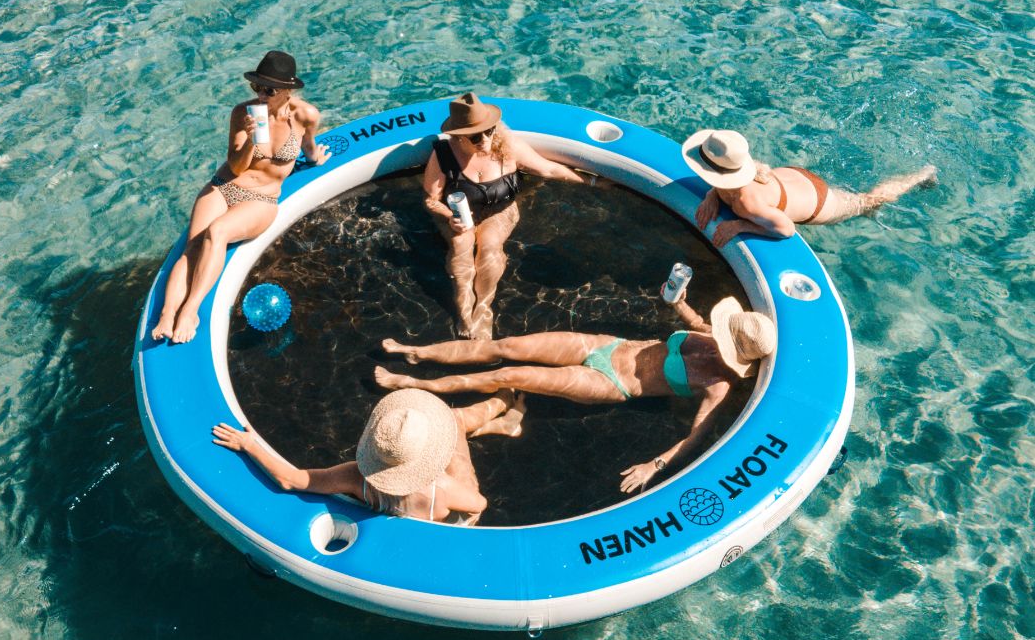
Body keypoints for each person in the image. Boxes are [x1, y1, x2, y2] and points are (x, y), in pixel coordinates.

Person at [375, 292, 776, 494]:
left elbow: (696, 435)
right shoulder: (710, 336)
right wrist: (679, 303)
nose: (717, 334)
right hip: (605, 345)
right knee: (507, 346)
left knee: (511, 374)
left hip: (610, 385)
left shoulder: (718, 386)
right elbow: (698, 322)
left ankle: (419, 384)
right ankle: (419, 352)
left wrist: (654, 466)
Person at [152, 51, 330, 344]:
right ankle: (168, 314)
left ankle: (190, 311)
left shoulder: (305, 115)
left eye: (269, 90)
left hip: (260, 199)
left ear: (288, 90)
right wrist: (249, 139)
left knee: (217, 232)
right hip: (226, 185)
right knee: (192, 248)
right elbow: (236, 166)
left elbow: (309, 146)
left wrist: (315, 158)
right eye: (256, 87)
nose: (261, 94)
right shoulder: (244, 113)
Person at [212, 388, 527, 525]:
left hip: (399, 508)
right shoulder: (441, 489)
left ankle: (498, 414)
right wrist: (454, 479)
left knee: (455, 422)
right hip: (448, 503)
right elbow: (479, 504)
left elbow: (290, 479)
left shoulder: (354, 477)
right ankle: (503, 405)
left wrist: (250, 445)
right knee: (454, 421)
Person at [424, 92, 584, 341]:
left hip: (501, 209)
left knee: (488, 249)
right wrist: (448, 216)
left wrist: (592, 182)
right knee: (460, 246)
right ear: (459, 135)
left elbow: (548, 168)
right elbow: (431, 199)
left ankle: (483, 308)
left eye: (489, 131)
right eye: (475, 136)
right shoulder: (444, 154)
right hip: (461, 215)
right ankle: (464, 308)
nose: (484, 139)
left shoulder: (507, 145)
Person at [685, 129, 937, 248]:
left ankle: (922, 175)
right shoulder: (739, 177)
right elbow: (729, 185)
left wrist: (739, 225)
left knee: (868, 203)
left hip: (818, 202)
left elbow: (786, 229)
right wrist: (711, 195)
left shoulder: (746, 204)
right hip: (790, 179)